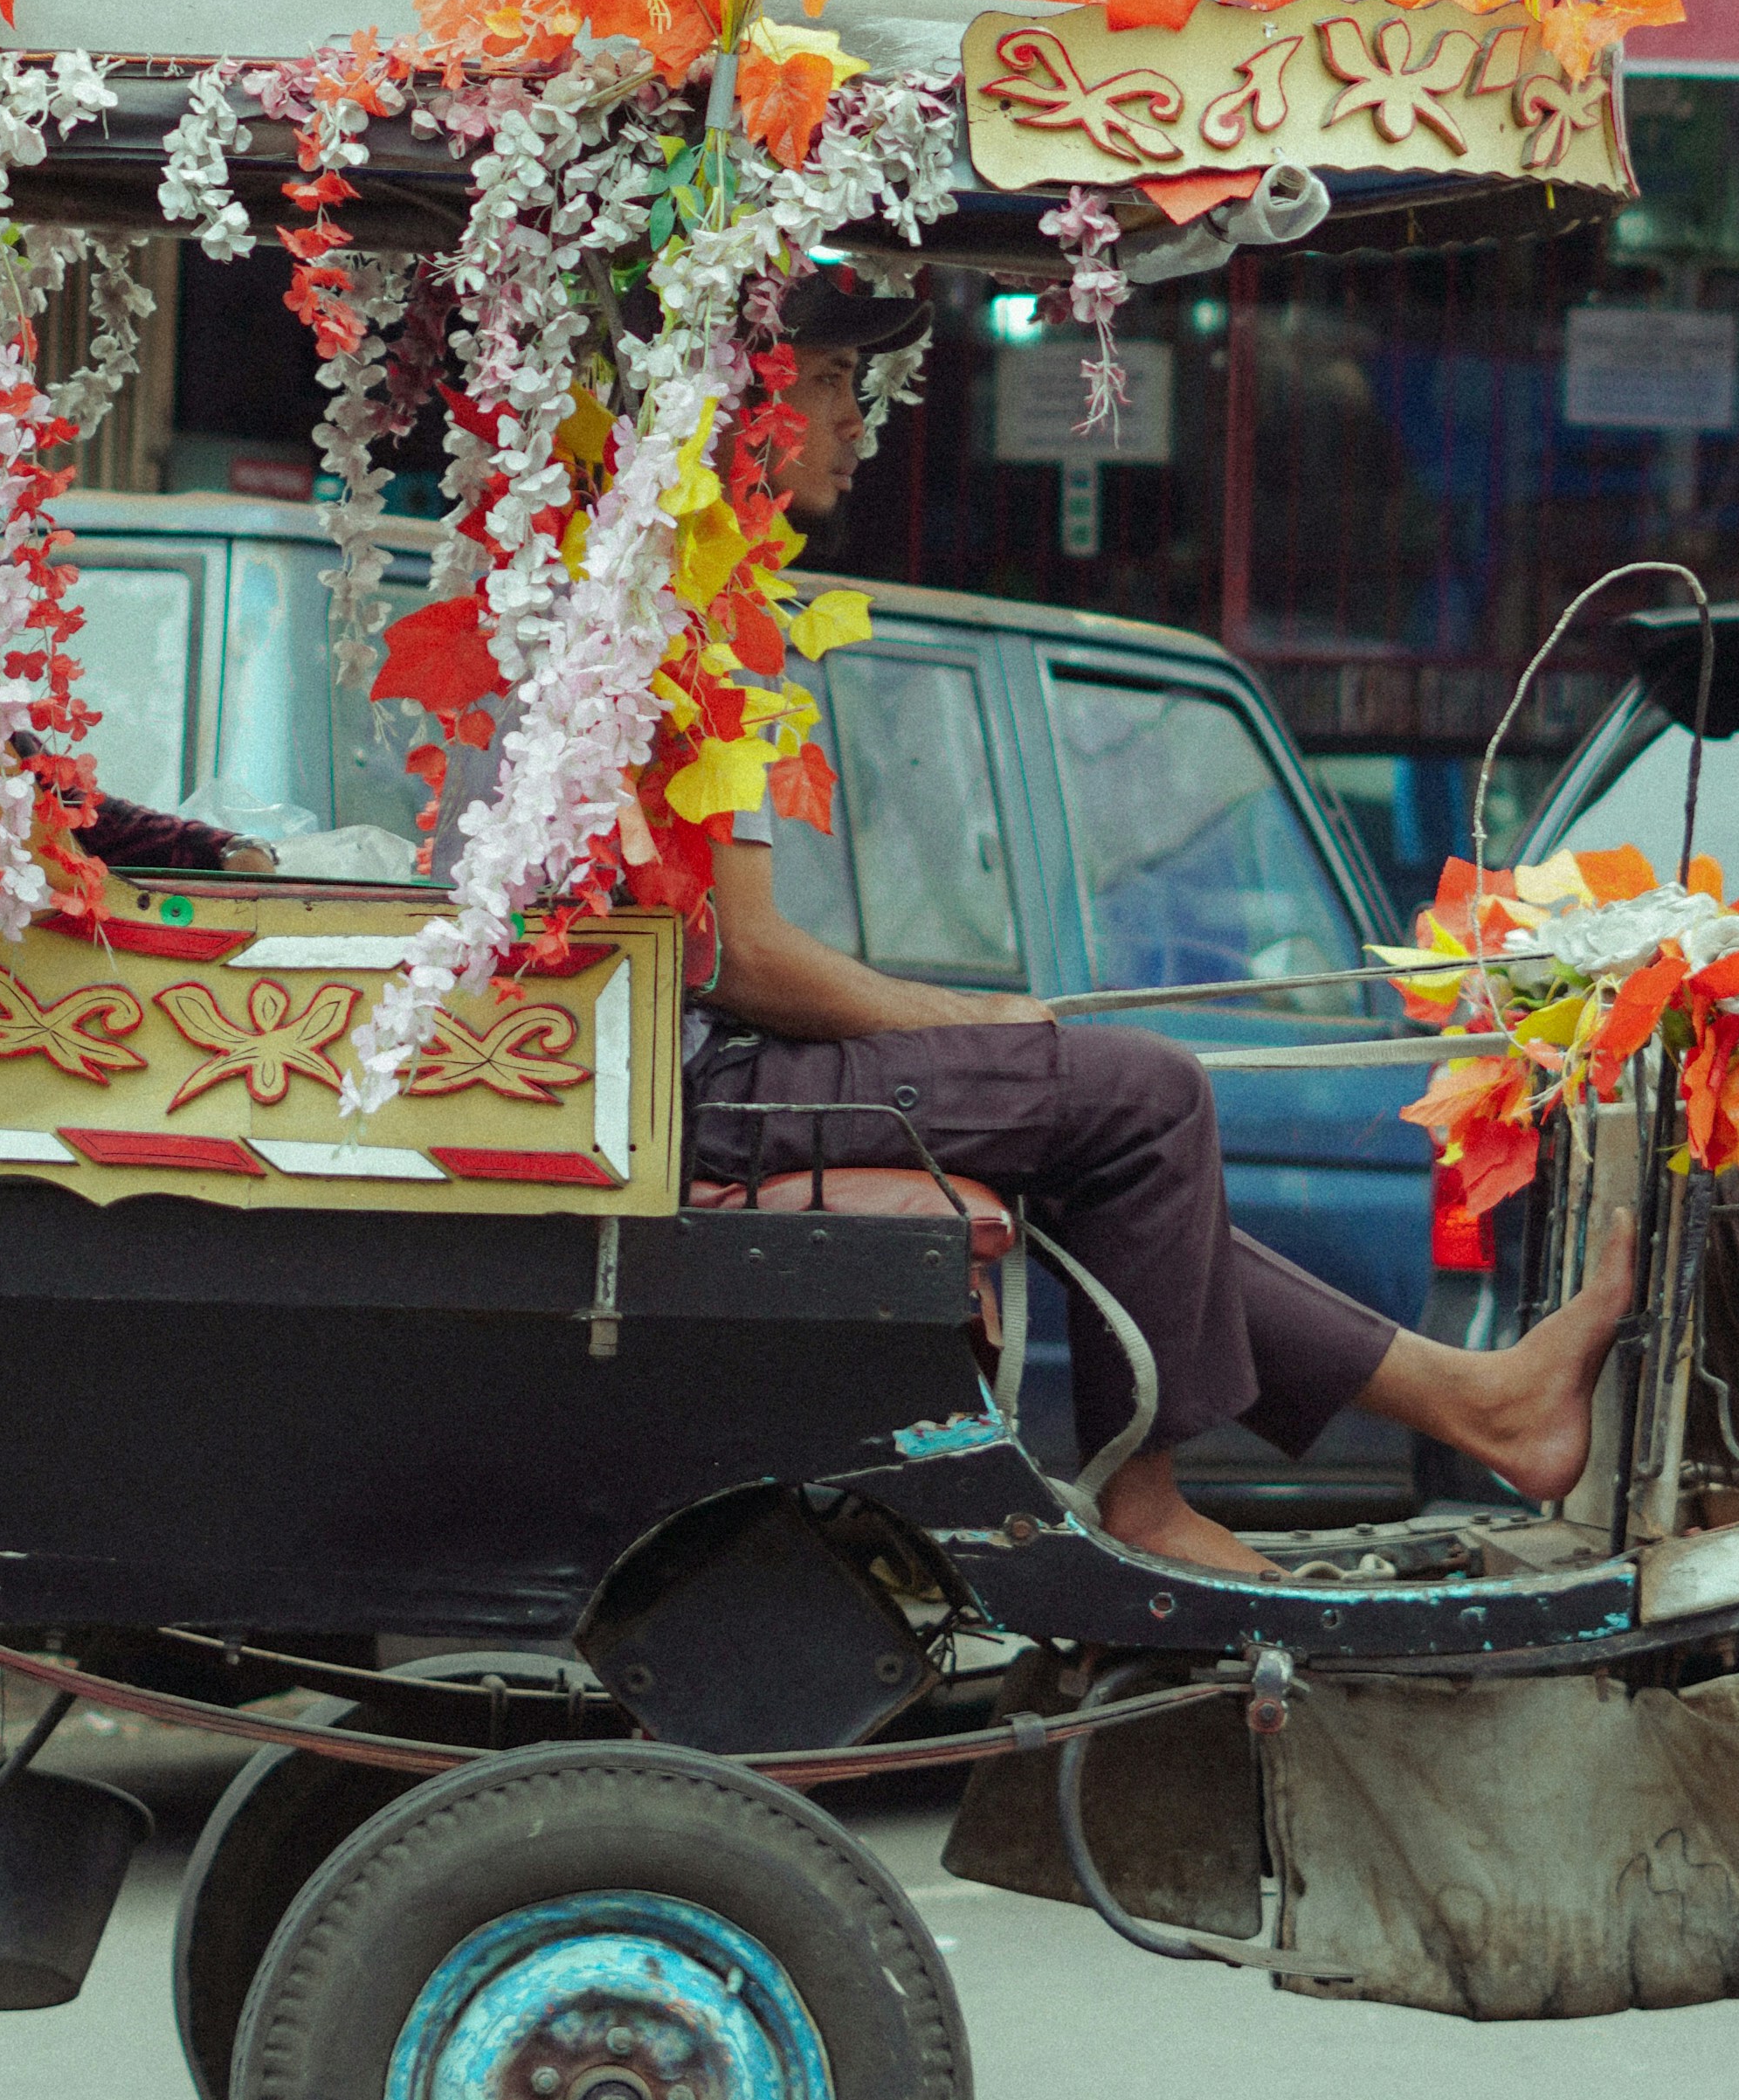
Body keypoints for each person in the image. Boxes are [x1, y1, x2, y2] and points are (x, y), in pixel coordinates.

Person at [687, 269, 1634, 1583]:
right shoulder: (689, 611)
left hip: (693, 1076)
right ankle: (1149, 1504)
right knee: (1146, 1093)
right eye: (840, 386)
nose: (862, 424)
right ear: (754, 402)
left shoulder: (699, 595)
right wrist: (974, 1016)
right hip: (708, 1090)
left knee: (1122, 1156)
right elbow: (744, 955)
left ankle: (1481, 1405)